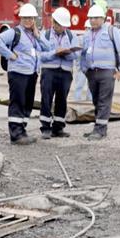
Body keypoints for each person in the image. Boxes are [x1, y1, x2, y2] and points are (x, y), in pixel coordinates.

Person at [0, 3, 49, 144]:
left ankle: (22, 130)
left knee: (27, 103)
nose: (29, 21)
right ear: (21, 18)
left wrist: (38, 35)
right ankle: (16, 135)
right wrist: (10, 55)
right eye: (26, 18)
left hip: (31, 73)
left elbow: (47, 47)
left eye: (31, 18)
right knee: (17, 102)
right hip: (18, 73)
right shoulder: (15, 32)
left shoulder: (34, 34)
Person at [80, 4, 120, 140]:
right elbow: (83, 54)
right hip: (91, 72)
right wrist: (84, 69)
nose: (93, 20)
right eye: (91, 18)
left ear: (103, 19)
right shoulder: (87, 34)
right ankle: (98, 127)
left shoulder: (112, 31)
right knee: (96, 100)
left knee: (104, 101)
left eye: (96, 18)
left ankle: (100, 130)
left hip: (107, 72)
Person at [39, 7, 78, 139]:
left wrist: (66, 53)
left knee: (62, 100)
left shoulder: (72, 36)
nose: (62, 28)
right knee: (46, 99)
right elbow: (41, 55)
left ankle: (58, 128)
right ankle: (45, 128)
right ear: (53, 22)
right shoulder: (45, 35)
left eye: (64, 26)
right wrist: (54, 53)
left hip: (66, 73)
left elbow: (76, 54)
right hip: (49, 72)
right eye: (60, 25)